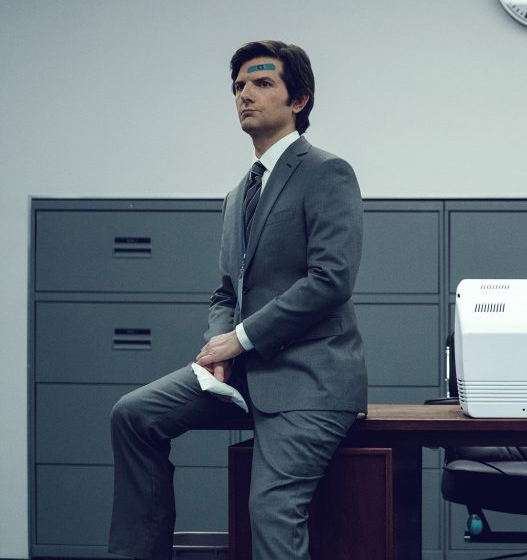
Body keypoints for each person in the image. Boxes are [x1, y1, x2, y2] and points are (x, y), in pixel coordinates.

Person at [109, 40, 367, 559]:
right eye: (239, 86)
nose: (245, 95)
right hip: (242, 372)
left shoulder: (326, 172)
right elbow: (226, 291)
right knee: (133, 415)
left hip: (309, 378)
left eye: (263, 83)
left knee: (270, 510)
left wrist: (240, 339)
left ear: (300, 100)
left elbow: (330, 279)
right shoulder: (237, 194)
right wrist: (217, 350)